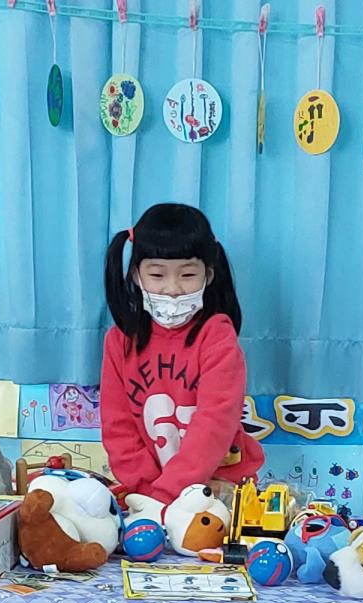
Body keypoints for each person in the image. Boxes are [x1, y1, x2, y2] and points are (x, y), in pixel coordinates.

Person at [98, 203, 265, 510]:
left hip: (218, 490)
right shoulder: (119, 341)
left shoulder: (216, 336)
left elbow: (214, 425)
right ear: (135, 275)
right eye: (156, 274)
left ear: (208, 275)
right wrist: (148, 492)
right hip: (149, 492)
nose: (172, 289)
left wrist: (167, 495)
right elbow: (118, 429)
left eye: (187, 274)